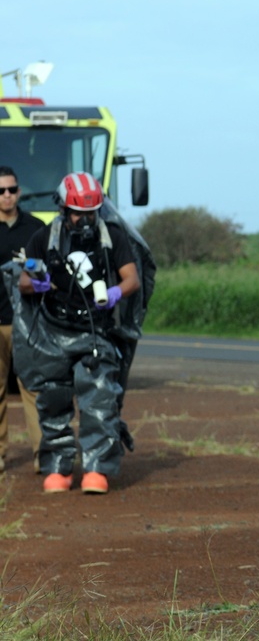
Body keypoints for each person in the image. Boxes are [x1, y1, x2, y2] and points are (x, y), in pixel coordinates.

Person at [17, 172, 139, 494]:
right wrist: (39, 283)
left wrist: (114, 293)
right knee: (53, 400)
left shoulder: (112, 236)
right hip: (52, 331)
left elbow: (131, 278)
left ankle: (96, 471)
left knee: (99, 398)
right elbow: (23, 282)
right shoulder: (44, 239)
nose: (84, 219)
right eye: (77, 212)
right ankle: (58, 470)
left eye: (91, 212)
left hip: (95, 331)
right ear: (63, 209)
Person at [0, 166, 44, 474]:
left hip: (28, 320)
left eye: (12, 190)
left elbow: (49, 269)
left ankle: (45, 454)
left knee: (34, 387)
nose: (7, 196)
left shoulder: (37, 228)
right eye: (1, 191)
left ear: (19, 191)